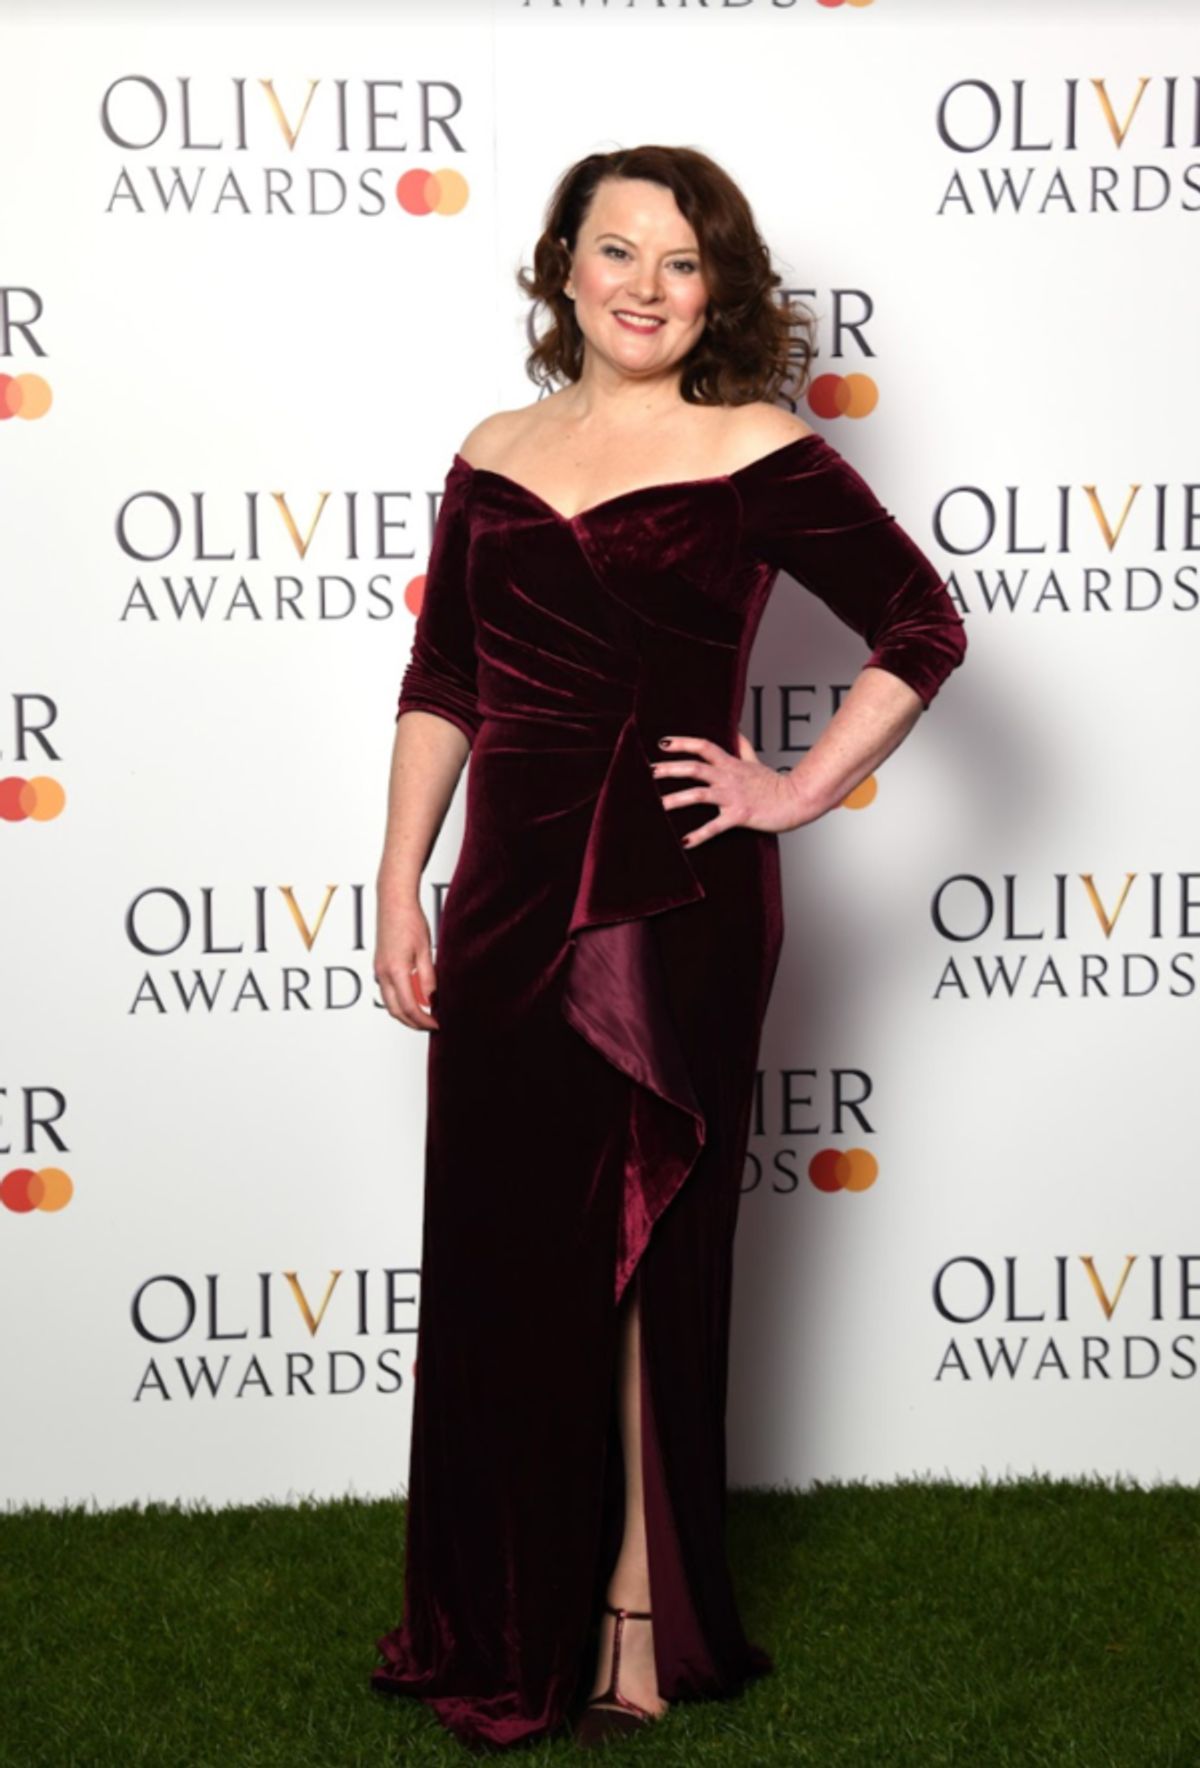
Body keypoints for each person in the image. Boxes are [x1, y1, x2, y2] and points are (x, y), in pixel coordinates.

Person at [369, 144, 968, 1752]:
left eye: (683, 260)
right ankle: (500, 1615)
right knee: (504, 1252)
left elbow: (923, 623)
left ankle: (639, 1606)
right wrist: (400, 880)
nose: (646, 285)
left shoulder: (755, 447)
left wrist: (795, 788)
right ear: (563, 266)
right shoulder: (492, 450)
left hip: (672, 899)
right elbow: (445, 681)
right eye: (618, 249)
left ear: (719, 291)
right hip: (505, 897)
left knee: (645, 1233)